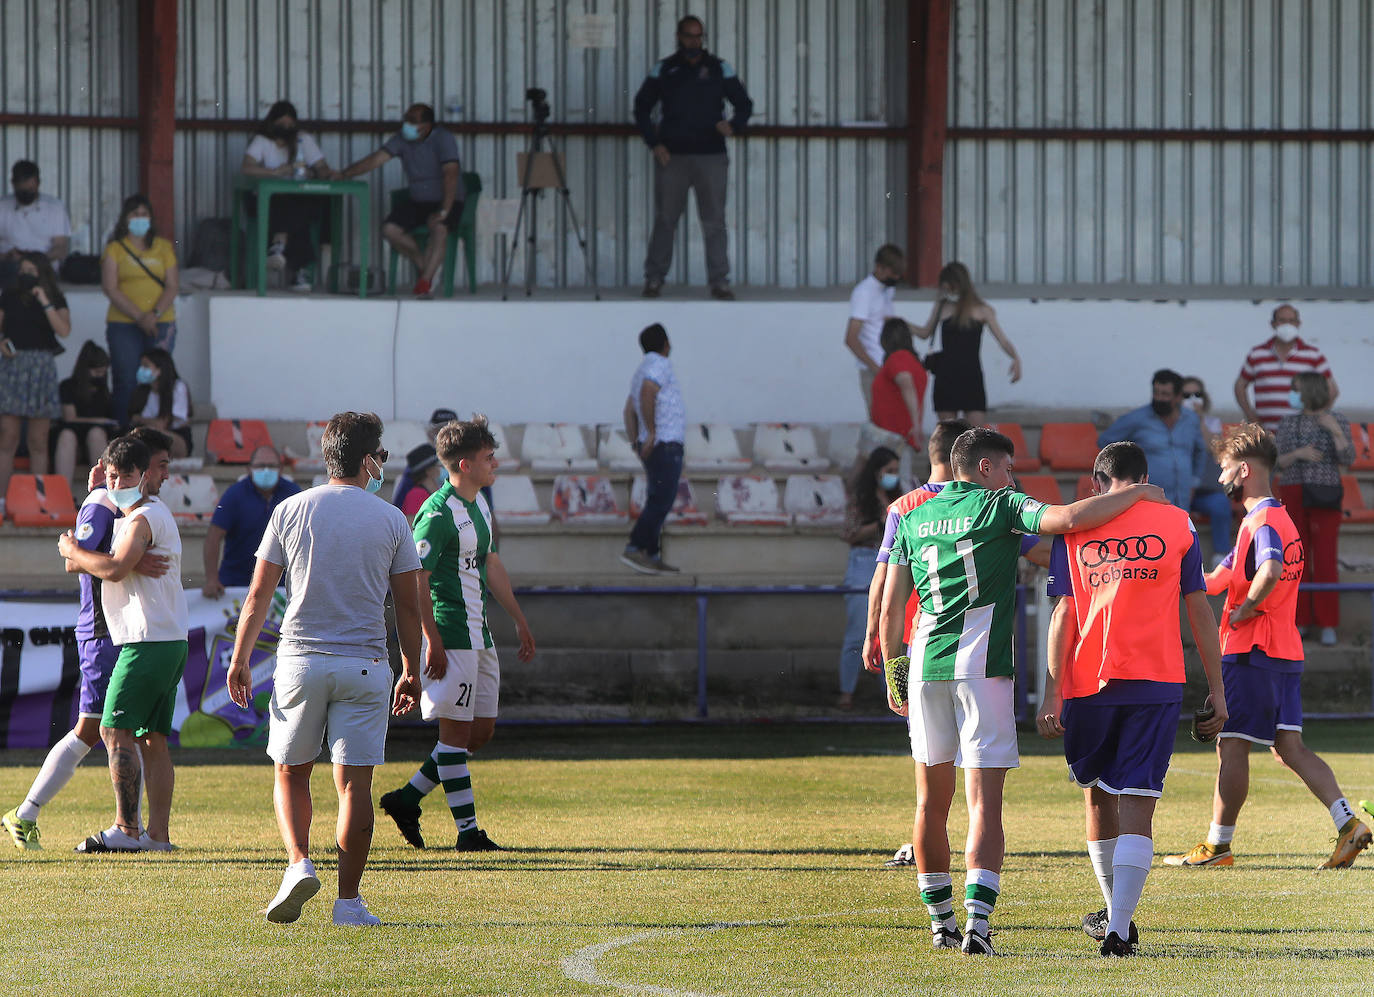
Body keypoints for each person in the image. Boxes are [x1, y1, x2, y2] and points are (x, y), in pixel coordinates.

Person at [880, 426, 1167, 954]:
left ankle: (940, 924)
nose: (1014, 478)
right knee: (984, 803)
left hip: (923, 666)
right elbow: (1071, 518)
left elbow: (892, 604)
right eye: (1009, 468)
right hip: (981, 665)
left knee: (929, 804)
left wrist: (896, 673)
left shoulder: (910, 514)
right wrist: (1140, 493)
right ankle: (977, 927)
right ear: (986, 468)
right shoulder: (999, 504)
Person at [226, 411, 424, 927]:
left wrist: (241, 656)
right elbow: (407, 606)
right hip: (365, 664)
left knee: (291, 772)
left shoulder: (290, 509)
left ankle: (298, 863)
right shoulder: (391, 519)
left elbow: (258, 595)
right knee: (354, 786)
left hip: (299, 661)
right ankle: (349, 903)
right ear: (366, 459)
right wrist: (412, 668)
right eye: (380, 455)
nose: (382, 465)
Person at [1035, 441, 1227, 957]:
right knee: (1139, 799)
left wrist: (1052, 692)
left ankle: (1115, 915)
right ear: (1145, 479)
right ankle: (1119, 924)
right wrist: (1217, 687)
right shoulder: (1177, 523)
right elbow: (1200, 611)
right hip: (1158, 680)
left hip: (1088, 682)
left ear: (1098, 483)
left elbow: (1062, 615)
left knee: (1096, 793)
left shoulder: (1075, 526)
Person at [1164, 424, 1371, 871]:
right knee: (1289, 748)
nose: (1220, 479)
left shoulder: (1261, 521)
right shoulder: (1272, 518)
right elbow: (1218, 579)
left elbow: (1271, 568)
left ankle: (1218, 847)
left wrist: (1247, 608)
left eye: (1223, 470)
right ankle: (1348, 824)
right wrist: (1170, 579)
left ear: (1243, 470)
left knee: (1231, 746)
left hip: (1252, 653)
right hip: (1284, 654)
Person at [2, 427, 172, 852]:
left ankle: (150, 835)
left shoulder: (138, 506)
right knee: (94, 729)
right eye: (161, 466)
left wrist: (128, 560)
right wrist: (126, 563)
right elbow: (74, 559)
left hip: (126, 630)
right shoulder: (101, 503)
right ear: (140, 468)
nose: (165, 475)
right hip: (103, 631)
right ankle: (27, 814)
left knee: (132, 733)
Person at [378, 416, 536, 853]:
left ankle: (406, 798)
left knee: (478, 733)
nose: (495, 465)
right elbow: (416, 580)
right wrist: (433, 639)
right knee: (455, 735)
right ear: (464, 465)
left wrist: (519, 618)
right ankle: (469, 833)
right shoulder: (436, 513)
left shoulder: (480, 504)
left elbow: (490, 563)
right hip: (451, 634)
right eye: (489, 458)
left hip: (480, 635)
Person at [56, 434, 187, 853]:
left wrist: (73, 549)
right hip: (167, 639)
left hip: (145, 641)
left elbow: (111, 568)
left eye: (125, 475)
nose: (116, 483)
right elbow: (115, 564)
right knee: (153, 737)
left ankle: (126, 830)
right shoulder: (139, 514)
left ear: (142, 476)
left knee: (113, 728)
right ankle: (158, 837)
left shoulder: (143, 517)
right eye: (111, 475)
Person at [634, 14, 753, 301]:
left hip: (711, 156)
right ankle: (654, 279)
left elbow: (744, 104)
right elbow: (641, 107)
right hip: (672, 157)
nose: (694, 42)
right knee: (665, 219)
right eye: (689, 36)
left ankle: (719, 282)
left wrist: (734, 125)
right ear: (678, 37)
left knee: (714, 221)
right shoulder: (664, 69)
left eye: (699, 36)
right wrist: (654, 144)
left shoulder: (718, 68)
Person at [341, 104, 462, 298]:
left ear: (427, 125)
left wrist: (444, 210)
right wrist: (345, 174)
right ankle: (425, 265)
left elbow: (451, 174)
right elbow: (375, 160)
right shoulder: (401, 138)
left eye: (413, 121)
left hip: (447, 199)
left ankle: (424, 282)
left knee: (439, 228)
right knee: (389, 230)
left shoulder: (443, 138)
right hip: (418, 201)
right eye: (406, 119)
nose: (407, 124)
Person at [1275, 372, 1355, 646]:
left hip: (1325, 494)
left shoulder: (1338, 419)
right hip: (1294, 491)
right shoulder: (1288, 422)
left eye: (1296, 389)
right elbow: (1277, 462)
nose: (1292, 394)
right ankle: (1299, 620)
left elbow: (1348, 458)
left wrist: (1333, 430)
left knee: (1324, 558)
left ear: (1309, 390)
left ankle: (1327, 622)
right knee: (1295, 558)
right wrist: (1298, 454)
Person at [240, 100, 342, 292]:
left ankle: (279, 244)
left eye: (290, 125)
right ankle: (300, 271)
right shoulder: (262, 141)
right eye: (282, 124)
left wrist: (319, 173)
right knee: (291, 207)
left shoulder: (303, 139)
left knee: (305, 204)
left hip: (298, 197)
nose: (286, 128)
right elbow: (247, 167)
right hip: (268, 200)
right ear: (272, 122)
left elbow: (321, 167)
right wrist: (275, 173)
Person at [101, 194, 178, 426]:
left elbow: (173, 286)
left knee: (158, 379)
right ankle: (124, 435)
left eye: (144, 214)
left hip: (161, 322)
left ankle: (156, 433)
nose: (140, 219)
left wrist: (153, 315)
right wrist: (140, 317)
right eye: (135, 214)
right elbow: (110, 287)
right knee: (126, 379)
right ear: (125, 219)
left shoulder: (164, 247)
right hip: (123, 325)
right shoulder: (115, 249)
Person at [0, 252, 70, 504]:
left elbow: (64, 330)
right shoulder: (8, 296)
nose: (26, 275)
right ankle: (2, 499)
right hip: (13, 366)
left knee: (38, 440)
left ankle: (36, 499)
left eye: (32, 270)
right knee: (8, 436)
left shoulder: (54, 297)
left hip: (42, 367)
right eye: (23, 270)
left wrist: (44, 300)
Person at [836, 446, 901, 710]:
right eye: (889, 471)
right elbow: (848, 533)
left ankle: (894, 696)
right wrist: (880, 524)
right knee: (856, 634)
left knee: (894, 633)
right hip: (864, 561)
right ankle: (846, 694)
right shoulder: (860, 498)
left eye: (896, 471)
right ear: (876, 471)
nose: (894, 476)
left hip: (894, 563)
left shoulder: (899, 497)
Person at [915, 262, 1020, 424]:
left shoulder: (982, 310)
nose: (948, 292)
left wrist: (1015, 358)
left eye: (950, 289)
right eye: (945, 289)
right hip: (946, 376)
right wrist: (901, 324)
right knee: (948, 437)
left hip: (971, 376)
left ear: (959, 285)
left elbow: (1003, 340)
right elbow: (925, 332)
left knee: (974, 437)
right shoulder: (942, 306)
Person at [620, 322, 685, 574]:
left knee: (657, 499)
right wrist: (653, 432)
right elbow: (648, 393)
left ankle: (652, 553)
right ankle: (635, 548)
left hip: (655, 446)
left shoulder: (641, 370)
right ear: (666, 343)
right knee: (661, 500)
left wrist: (636, 440)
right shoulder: (659, 364)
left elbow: (628, 410)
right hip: (665, 443)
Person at [1098, 369, 1207, 510]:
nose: (1159, 398)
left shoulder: (1191, 419)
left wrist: (1194, 482)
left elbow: (1200, 451)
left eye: (1165, 394)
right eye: (1156, 393)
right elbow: (1105, 442)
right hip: (1147, 499)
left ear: (1178, 397)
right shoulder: (1136, 418)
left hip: (1183, 497)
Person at [202, 445, 301, 598]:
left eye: (272, 466)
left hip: (282, 587)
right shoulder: (233, 495)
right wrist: (211, 580)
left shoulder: (294, 496)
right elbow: (213, 538)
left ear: (281, 469)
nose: (266, 470)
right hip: (235, 585)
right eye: (261, 465)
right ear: (249, 469)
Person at [1234, 304, 1338, 432]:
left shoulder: (1313, 355)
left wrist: (1317, 417)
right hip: (1266, 434)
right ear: (1273, 324)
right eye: (1282, 320)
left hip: (1301, 435)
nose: (1287, 325)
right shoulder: (1257, 354)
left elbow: (1332, 390)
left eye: (1291, 321)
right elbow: (1240, 386)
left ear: (1298, 324)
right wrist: (1250, 414)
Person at [844, 245, 912, 413]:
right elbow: (851, 338)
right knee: (880, 426)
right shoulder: (864, 293)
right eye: (893, 273)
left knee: (895, 422)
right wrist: (876, 369)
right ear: (879, 267)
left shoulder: (886, 290)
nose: (895, 277)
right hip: (875, 369)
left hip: (890, 365)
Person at [1180, 376, 1234, 566]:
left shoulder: (1211, 422)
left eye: (1197, 394)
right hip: (1177, 491)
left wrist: (1198, 419)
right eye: (1187, 395)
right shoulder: (1171, 423)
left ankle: (1221, 557)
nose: (1192, 399)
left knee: (1221, 504)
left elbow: (1214, 447)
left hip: (1204, 492)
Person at [867, 317, 929, 482]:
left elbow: (907, 385)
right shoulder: (911, 360)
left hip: (892, 434)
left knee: (897, 480)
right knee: (896, 477)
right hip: (894, 432)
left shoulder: (898, 358)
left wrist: (915, 425)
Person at [52, 341, 117, 484]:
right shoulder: (68, 386)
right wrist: (98, 421)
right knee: (66, 436)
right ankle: (63, 493)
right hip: (73, 431)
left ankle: (103, 490)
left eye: (103, 372)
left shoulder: (104, 391)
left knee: (96, 434)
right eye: (96, 372)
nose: (100, 376)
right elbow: (69, 418)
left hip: (96, 434)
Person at [0, 160, 72, 264]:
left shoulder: (55, 208)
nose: (26, 195)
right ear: (13, 184)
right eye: (22, 191)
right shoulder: (2, 207)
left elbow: (60, 248)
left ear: (38, 183)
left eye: (30, 190)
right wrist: (7, 256)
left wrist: (36, 260)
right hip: (8, 269)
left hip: (44, 269)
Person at [128, 347, 192, 458]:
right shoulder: (142, 391)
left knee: (151, 435)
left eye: (146, 366)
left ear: (159, 369)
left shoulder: (178, 387)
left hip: (176, 437)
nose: (141, 370)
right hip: (145, 437)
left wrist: (140, 419)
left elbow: (161, 424)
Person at [391, 407, 457, 511]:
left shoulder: (471, 465)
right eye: (438, 432)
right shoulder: (419, 463)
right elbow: (399, 505)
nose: (446, 439)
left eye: (452, 433)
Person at [398, 444, 441, 521]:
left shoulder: (433, 493)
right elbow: (411, 527)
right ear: (429, 470)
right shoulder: (416, 495)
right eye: (438, 465)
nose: (441, 468)